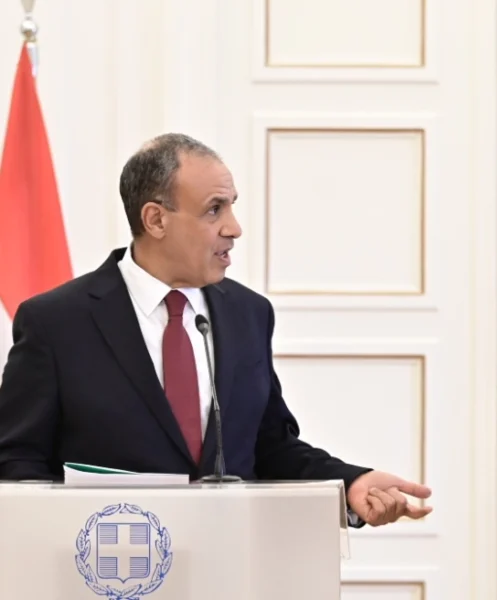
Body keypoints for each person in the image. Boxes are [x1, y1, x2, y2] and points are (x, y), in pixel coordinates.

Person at [0, 133, 431, 528]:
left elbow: (269, 446)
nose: (234, 228)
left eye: (232, 206)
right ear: (155, 220)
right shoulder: (57, 322)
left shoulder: (248, 313)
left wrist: (351, 483)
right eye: (214, 209)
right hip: (110, 566)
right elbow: (18, 461)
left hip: (229, 563)